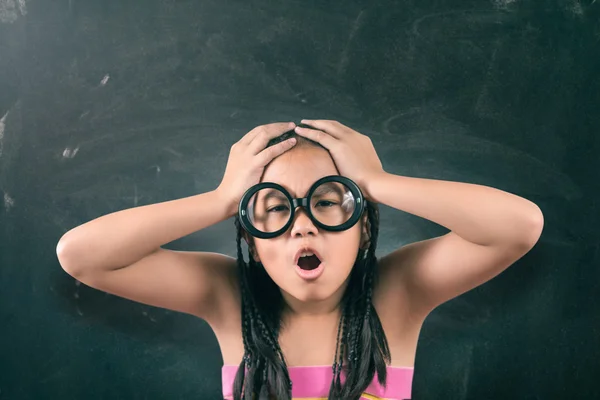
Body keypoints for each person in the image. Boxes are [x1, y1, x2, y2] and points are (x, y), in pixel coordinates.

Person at [56, 120, 544, 400]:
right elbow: (81, 256)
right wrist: (223, 199)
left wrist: (377, 183)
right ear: (251, 241)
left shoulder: (398, 293)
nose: (302, 224)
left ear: (365, 226)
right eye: (275, 209)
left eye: (329, 202)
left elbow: (519, 226)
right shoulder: (228, 299)